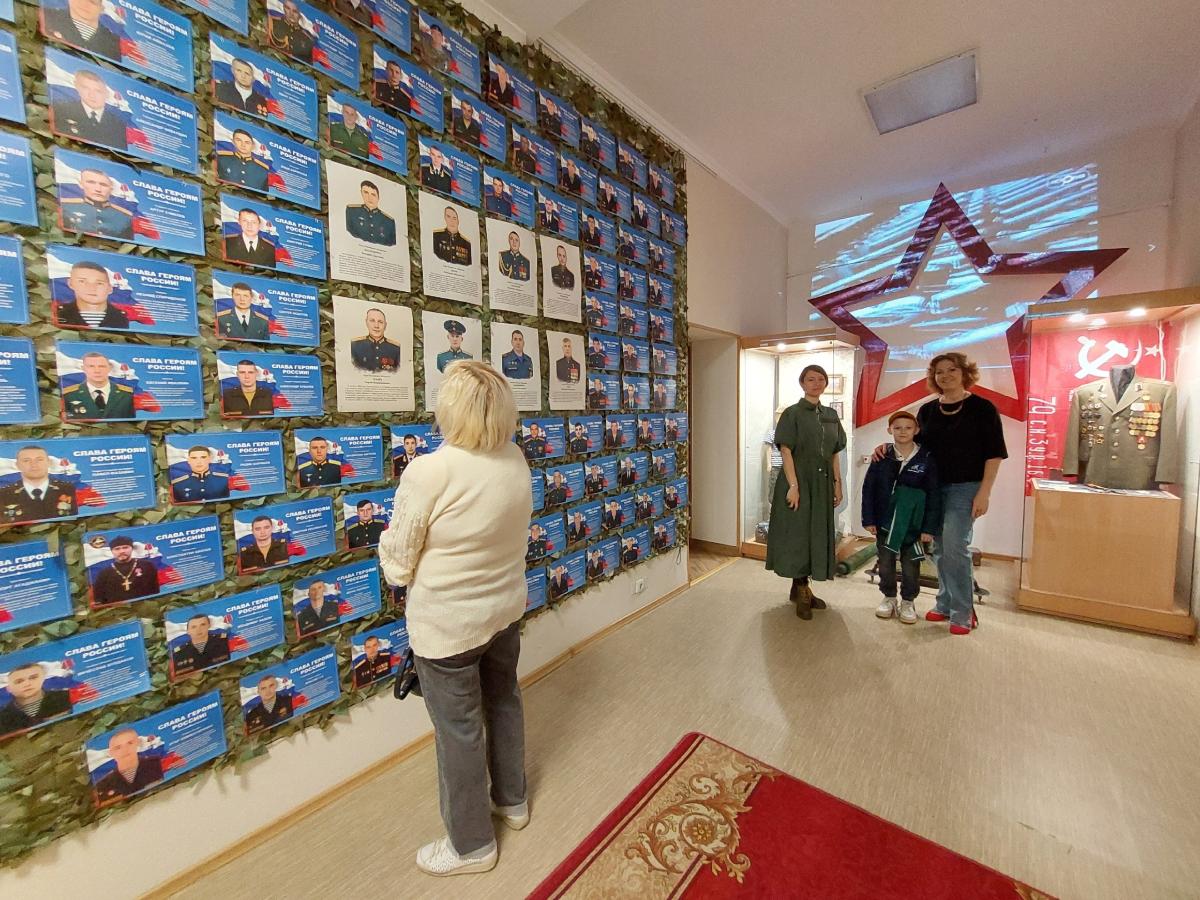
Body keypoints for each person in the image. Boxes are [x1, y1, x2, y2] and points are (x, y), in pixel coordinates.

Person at [377, 362, 532, 876]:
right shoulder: (514, 458)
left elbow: (398, 566)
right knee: (504, 701)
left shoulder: (430, 470)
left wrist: (392, 549)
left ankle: (471, 847)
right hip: (504, 612)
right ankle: (513, 801)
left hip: (448, 630)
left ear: (451, 408)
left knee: (458, 732)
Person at [872, 353, 1007, 635]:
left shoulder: (983, 408)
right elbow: (913, 446)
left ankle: (963, 611)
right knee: (940, 549)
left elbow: (994, 454)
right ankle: (944, 603)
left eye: (952, 370)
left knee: (956, 548)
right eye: (939, 372)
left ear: (965, 372)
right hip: (931, 490)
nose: (945, 376)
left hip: (966, 488)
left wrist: (984, 493)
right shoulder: (928, 411)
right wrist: (885, 448)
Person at [765, 365, 846, 620]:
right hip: (798, 481)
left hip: (821, 484)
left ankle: (799, 587)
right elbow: (785, 450)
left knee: (816, 533)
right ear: (802, 383)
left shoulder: (831, 415)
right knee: (798, 535)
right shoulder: (792, 413)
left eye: (821, 379)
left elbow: (834, 452)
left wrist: (838, 483)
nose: (816, 383)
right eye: (811, 379)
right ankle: (802, 589)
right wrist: (793, 486)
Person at [862, 411, 941, 625]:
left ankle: (908, 601)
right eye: (897, 428)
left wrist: (929, 528)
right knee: (886, 562)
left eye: (908, 428)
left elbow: (934, 495)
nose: (903, 432)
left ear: (916, 430)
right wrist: (869, 519)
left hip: (913, 524)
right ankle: (889, 597)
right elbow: (869, 489)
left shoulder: (926, 458)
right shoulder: (881, 456)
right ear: (890, 430)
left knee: (910, 564)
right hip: (885, 522)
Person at [51, 68, 127, 150]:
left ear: (106, 94)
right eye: (85, 88)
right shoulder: (61, 111)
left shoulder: (118, 125)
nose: (92, 95)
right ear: (77, 88)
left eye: (98, 91)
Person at [0, 445, 77, 523]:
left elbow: (73, 519)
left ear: (48, 462)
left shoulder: (67, 489)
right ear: (17, 465)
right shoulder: (4, 493)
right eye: (26, 460)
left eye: (39, 460)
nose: (34, 465)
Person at [92, 728, 163, 805]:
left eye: (130, 743)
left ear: (138, 744)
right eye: (118, 747)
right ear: (111, 753)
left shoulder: (156, 764)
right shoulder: (102, 785)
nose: (125, 750)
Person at [0, 662, 72, 735]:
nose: (27, 684)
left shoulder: (66, 697)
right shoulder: (2, 717)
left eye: (33, 678)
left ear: (43, 679)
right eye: (19, 681)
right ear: (9, 688)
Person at [54, 261, 129, 330]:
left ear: (110, 288)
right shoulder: (58, 313)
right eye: (82, 281)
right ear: (70, 283)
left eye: (99, 283)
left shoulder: (121, 318)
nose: (91, 288)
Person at [61, 167, 132, 239]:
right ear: (81, 184)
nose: (98, 189)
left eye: (103, 185)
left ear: (111, 189)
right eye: (91, 182)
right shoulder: (65, 206)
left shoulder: (124, 216)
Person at [62, 350, 134, 421]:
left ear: (109, 368)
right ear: (83, 368)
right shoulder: (69, 395)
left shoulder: (127, 395)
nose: (97, 371)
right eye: (91, 366)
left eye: (102, 366)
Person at [42, 0, 120, 59]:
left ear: (102, 7)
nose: (85, 4)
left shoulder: (114, 44)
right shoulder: (45, 16)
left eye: (93, 1)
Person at [216, 127, 270, 192]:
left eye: (247, 142)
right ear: (233, 141)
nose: (243, 145)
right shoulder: (221, 158)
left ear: (252, 146)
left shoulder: (262, 170)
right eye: (239, 140)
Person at [346, 180, 398, 246]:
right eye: (366, 192)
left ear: (378, 197)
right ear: (361, 193)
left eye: (373, 195)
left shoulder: (389, 221)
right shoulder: (351, 211)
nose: (369, 197)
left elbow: (392, 246)